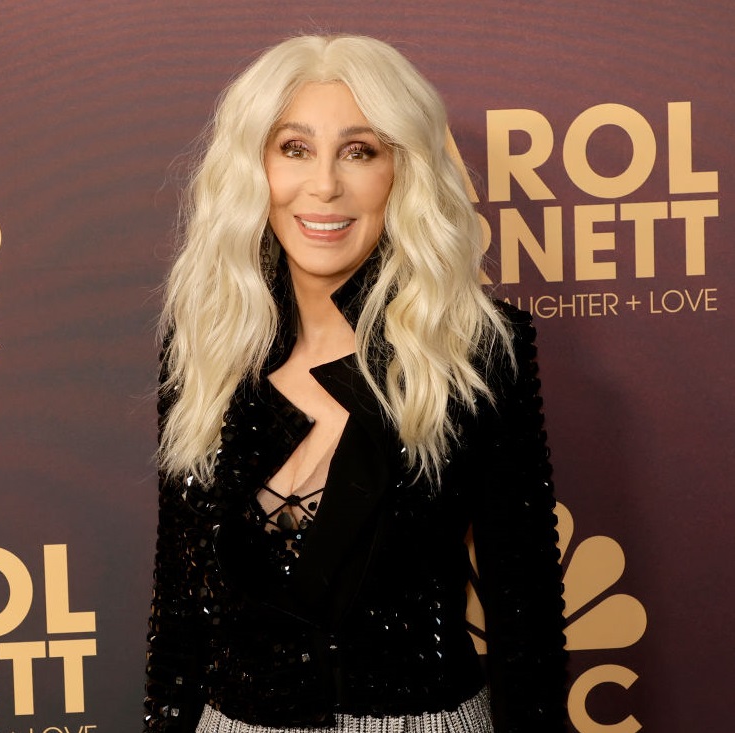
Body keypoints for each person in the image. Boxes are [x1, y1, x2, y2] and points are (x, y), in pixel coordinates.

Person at [144, 34, 567, 733]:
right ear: (254, 168)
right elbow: (179, 608)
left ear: (403, 172)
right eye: (295, 148)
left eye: (359, 151)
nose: (324, 185)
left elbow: (526, 617)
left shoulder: (474, 350)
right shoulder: (203, 348)